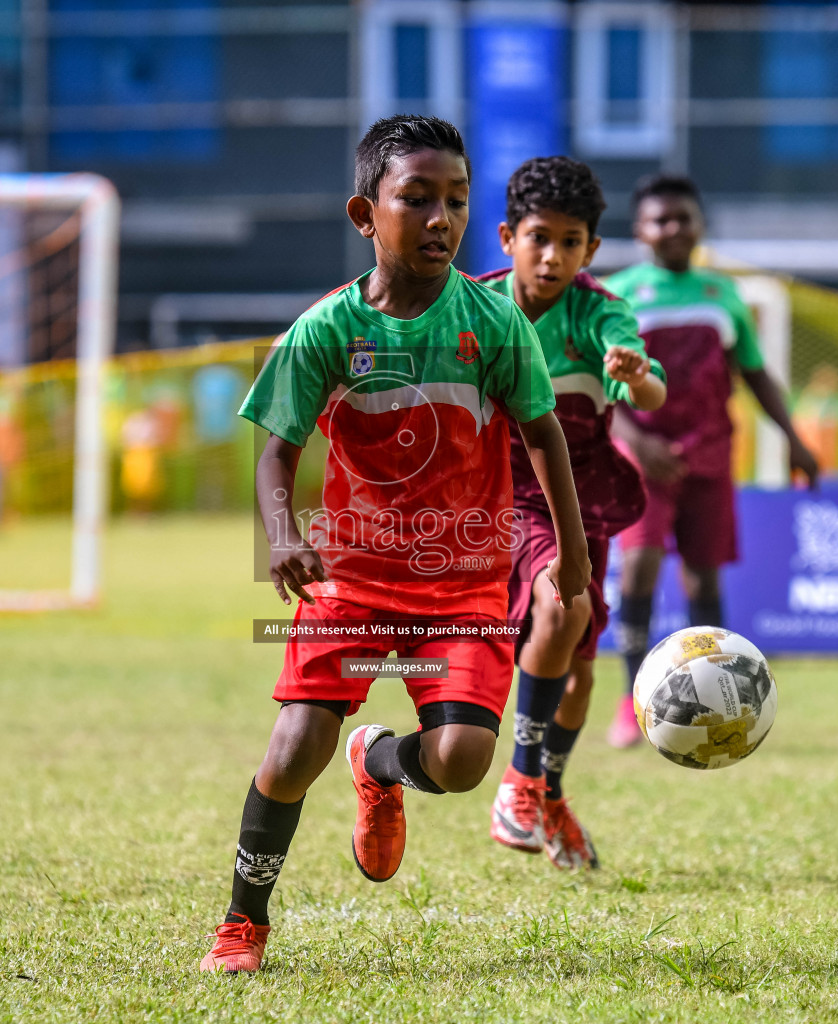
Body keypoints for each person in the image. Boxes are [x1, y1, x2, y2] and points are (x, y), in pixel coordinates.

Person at [198, 115, 590, 974]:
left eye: (455, 199)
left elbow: (544, 436)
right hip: (355, 579)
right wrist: (280, 537)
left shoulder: (491, 322)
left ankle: (380, 764)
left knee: (460, 763)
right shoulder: (325, 331)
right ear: (364, 214)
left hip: (466, 584)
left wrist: (574, 557)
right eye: (416, 199)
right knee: (294, 749)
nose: (441, 217)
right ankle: (242, 923)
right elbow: (277, 450)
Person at [474, 157, 666, 870]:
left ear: (590, 248)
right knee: (562, 609)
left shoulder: (601, 312)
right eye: (538, 237)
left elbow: (652, 394)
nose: (552, 255)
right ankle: (520, 782)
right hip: (495, 500)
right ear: (506, 237)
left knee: (580, 673)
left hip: (580, 499)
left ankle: (546, 794)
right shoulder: (473, 307)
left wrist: (637, 372)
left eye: (571, 241)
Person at [602, 175, 819, 749]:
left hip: (710, 454)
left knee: (704, 581)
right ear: (640, 230)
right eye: (660, 219)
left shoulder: (724, 295)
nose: (672, 228)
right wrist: (637, 442)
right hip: (644, 459)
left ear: (700, 225)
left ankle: (717, 702)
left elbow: (753, 371)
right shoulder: (617, 295)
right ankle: (631, 702)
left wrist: (794, 438)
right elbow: (601, 387)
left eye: (683, 217)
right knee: (642, 570)